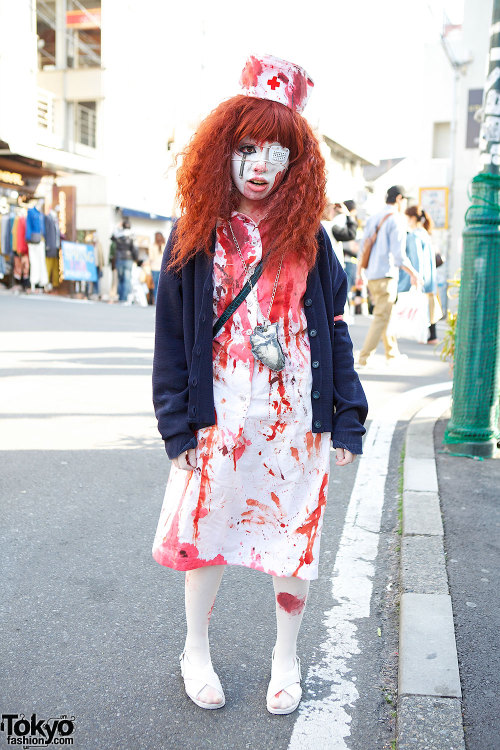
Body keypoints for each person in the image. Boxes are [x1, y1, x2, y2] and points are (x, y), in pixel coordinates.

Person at [151, 54, 368, 715]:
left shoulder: (311, 240)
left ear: (297, 162)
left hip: (295, 416)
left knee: (291, 542)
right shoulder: (195, 233)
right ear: (223, 149)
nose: (260, 165)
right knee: (205, 534)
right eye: (246, 147)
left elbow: (333, 330)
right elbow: (170, 334)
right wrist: (175, 422)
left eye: (276, 150)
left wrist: (348, 413)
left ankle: (286, 657)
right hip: (218, 413)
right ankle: (195, 649)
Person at [356, 185, 421, 368]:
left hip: (372, 275)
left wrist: (360, 273)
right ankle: (363, 358)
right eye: (405, 200)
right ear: (399, 198)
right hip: (386, 275)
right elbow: (399, 256)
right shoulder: (396, 220)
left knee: (386, 315)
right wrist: (414, 274)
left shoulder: (374, 217)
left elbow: (363, 247)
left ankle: (392, 354)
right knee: (381, 317)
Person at [398, 206, 442, 344]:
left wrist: (415, 276)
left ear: (412, 218)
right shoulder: (425, 234)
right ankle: (432, 336)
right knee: (429, 307)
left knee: (420, 307)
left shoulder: (414, 235)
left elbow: (417, 259)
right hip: (430, 279)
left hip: (421, 278)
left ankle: (423, 335)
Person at [111, 218, 138, 302]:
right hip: (128, 259)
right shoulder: (131, 235)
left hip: (119, 258)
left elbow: (111, 237)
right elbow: (134, 248)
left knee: (120, 278)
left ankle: (120, 296)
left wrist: (117, 227)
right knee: (127, 278)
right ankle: (124, 297)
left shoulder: (118, 234)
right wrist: (136, 258)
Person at [149, 231, 166, 303]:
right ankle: (161, 302)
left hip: (154, 268)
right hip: (163, 268)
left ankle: (156, 302)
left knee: (156, 286)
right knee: (162, 286)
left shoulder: (152, 246)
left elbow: (151, 258)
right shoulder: (165, 245)